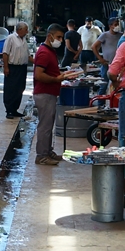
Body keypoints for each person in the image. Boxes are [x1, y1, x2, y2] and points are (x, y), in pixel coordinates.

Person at [32, 24, 79, 166]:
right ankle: (41, 156)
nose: (60, 40)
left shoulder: (49, 51)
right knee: (45, 126)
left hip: (50, 92)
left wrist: (62, 75)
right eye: (58, 37)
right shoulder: (44, 53)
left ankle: (47, 151)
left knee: (48, 125)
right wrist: (56, 79)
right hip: (44, 93)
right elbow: (39, 75)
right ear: (49, 36)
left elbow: (51, 71)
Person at [2, 22, 31, 119]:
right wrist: (6, 67)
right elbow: (5, 53)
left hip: (22, 67)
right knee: (11, 88)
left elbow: (28, 55)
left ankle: (15, 109)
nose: (27, 31)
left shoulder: (24, 40)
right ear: (19, 30)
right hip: (12, 66)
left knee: (20, 88)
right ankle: (9, 110)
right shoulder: (11, 38)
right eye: (25, 29)